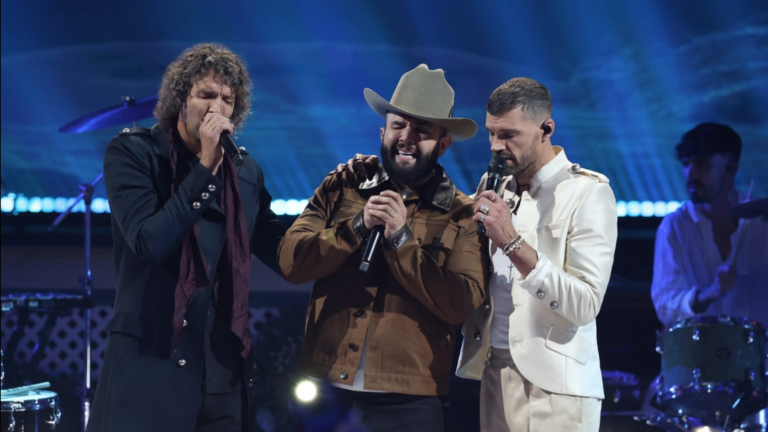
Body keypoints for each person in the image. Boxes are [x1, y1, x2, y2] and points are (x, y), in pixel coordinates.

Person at [88, 43, 287, 432]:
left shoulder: (246, 173)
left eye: (227, 99)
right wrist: (207, 166)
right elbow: (150, 241)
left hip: (222, 376)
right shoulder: (134, 154)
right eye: (206, 95)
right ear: (181, 99)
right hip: (152, 371)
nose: (217, 108)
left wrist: (349, 226)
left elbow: (282, 251)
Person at [277, 64, 488, 432]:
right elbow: (291, 262)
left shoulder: (462, 214)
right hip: (323, 389)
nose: (406, 136)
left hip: (409, 403)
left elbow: (461, 303)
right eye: (398, 126)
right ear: (382, 130)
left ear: (443, 143)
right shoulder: (342, 185)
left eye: (421, 130)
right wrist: (355, 227)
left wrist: (401, 240)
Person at [455, 77, 618, 432]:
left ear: (546, 129)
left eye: (509, 135)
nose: (496, 146)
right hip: (494, 370)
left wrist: (513, 243)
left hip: (557, 387)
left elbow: (585, 304)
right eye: (491, 133)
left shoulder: (588, 193)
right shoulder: (493, 185)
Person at [651, 123, 768, 327]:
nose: (690, 174)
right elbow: (664, 304)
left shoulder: (762, 223)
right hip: (699, 356)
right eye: (686, 164)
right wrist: (710, 293)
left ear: (731, 167)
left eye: (702, 164)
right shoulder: (675, 227)